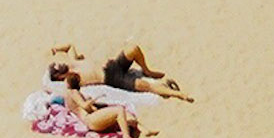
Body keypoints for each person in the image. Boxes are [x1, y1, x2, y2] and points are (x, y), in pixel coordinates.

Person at [49, 43, 192, 101]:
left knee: (133, 48)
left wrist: (55, 49)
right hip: (113, 77)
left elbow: (70, 46)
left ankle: (147, 70)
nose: (59, 65)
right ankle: (179, 94)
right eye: (57, 68)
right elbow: (71, 93)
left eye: (56, 64)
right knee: (146, 86)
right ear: (59, 76)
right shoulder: (72, 79)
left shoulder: (72, 61)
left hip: (114, 64)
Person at [59, 69, 143, 138]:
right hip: (90, 120)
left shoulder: (68, 94)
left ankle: (143, 129)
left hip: (91, 120)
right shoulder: (73, 92)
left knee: (124, 113)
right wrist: (95, 98)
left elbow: (81, 107)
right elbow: (84, 106)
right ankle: (127, 137)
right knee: (120, 110)